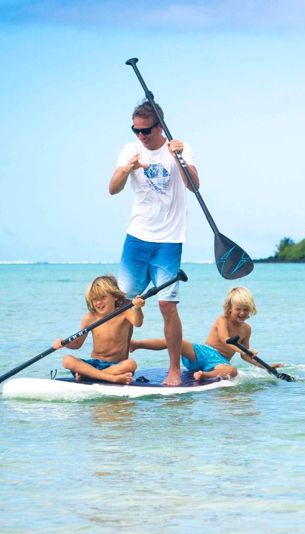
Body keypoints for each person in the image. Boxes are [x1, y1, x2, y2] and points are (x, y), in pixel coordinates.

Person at [108, 99, 199, 386]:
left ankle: (174, 370)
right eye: (135, 130)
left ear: (159, 126)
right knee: (122, 305)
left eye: (145, 131)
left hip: (169, 240)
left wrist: (179, 158)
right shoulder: (130, 149)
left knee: (167, 306)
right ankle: (119, 366)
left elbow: (194, 186)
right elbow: (113, 188)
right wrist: (127, 169)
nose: (140, 136)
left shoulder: (179, 147)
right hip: (137, 237)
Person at [131, 286, 283, 380]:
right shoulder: (221, 320)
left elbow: (245, 356)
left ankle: (204, 375)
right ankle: (137, 344)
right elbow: (226, 340)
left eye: (246, 309)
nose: (242, 313)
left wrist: (266, 367)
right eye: (238, 309)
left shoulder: (246, 329)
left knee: (232, 371)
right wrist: (246, 350)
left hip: (219, 363)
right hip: (203, 353)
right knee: (176, 341)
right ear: (230, 308)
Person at [53, 275, 145, 384]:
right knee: (67, 360)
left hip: (116, 365)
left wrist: (138, 309)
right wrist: (64, 343)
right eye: (94, 299)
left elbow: (138, 323)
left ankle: (89, 376)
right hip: (94, 364)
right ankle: (110, 378)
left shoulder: (124, 312)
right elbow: (77, 344)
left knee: (131, 364)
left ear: (115, 296)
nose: (98, 303)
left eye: (102, 297)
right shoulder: (90, 317)